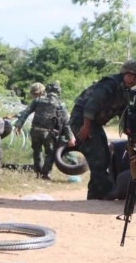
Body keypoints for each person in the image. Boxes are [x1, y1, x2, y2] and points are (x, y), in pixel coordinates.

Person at [70, 61, 136, 200]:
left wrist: (130, 133)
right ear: (123, 73)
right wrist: (86, 127)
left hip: (94, 123)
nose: (133, 80)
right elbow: (91, 105)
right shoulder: (110, 84)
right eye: (130, 75)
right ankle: (105, 192)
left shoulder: (125, 91)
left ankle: (95, 196)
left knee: (104, 156)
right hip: (83, 120)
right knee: (98, 157)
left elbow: (123, 115)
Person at [14, 81, 76, 180]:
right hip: (49, 133)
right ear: (59, 91)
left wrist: (19, 125)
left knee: (37, 151)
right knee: (50, 153)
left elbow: (26, 112)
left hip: (35, 131)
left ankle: (38, 173)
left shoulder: (37, 100)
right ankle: (45, 174)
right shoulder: (60, 104)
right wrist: (71, 137)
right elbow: (66, 123)